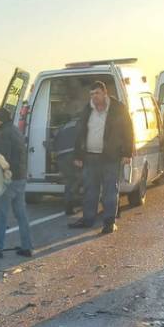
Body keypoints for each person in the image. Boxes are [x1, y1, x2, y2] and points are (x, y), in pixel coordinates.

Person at [69, 81, 134, 234]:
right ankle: (88, 219)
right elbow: (80, 132)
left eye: (97, 93)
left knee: (110, 191)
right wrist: (78, 154)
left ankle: (109, 222)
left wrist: (127, 153)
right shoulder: (87, 109)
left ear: (105, 93)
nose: (94, 97)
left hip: (110, 157)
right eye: (91, 94)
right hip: (90, 157)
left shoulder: (118, 109)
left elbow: (128, 131)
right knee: (90, 191)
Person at [0, 108, 33, 259]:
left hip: (8, 180)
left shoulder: (3, 135)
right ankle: (27, 246)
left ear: (0, 120)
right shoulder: (15, 130)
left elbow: (2, 160)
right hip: (20, 178)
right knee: (21, 214)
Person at [51, 115, 81, 215]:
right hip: (73, 155)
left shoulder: (63, 127)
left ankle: (69, 206)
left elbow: (54, 143)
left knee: (69, 181)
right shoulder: (80, 125)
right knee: (79, 179)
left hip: (61, 158)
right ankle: (76, 202)